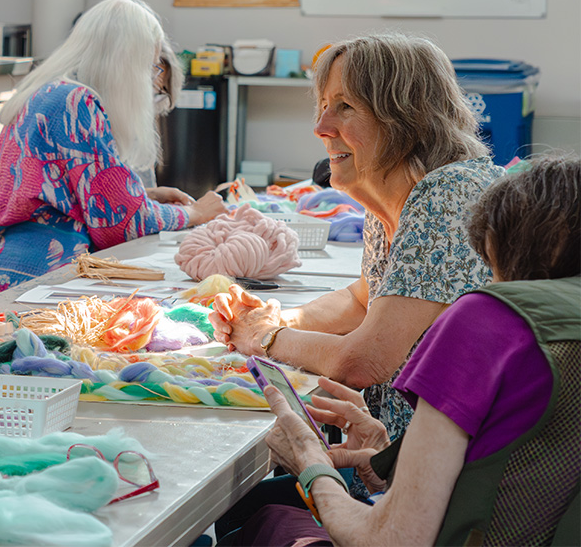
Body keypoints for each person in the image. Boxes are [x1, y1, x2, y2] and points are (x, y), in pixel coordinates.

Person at [227, 154, 580, 546]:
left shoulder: (488, 321)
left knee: (266, 520)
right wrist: (390, 460)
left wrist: (311, 464)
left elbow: (392, 540)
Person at [210, 33, 504, 440]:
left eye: (345, 107)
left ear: (405, 118)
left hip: (437, 477)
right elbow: (363, 300)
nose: (320, 127)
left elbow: (363, 362)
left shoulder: (449, 194)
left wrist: (264, 336)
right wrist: (279, 317)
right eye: (324, 106)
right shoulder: (395, 198)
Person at [0, 0, 227, 300]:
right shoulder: (78, 104)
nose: (152, 80)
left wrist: (141, 196)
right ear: (128, 63)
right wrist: (194, 212)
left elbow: (62, 195)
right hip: (34, 284)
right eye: (152, 66)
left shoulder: (49, 92)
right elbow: (122, 224)